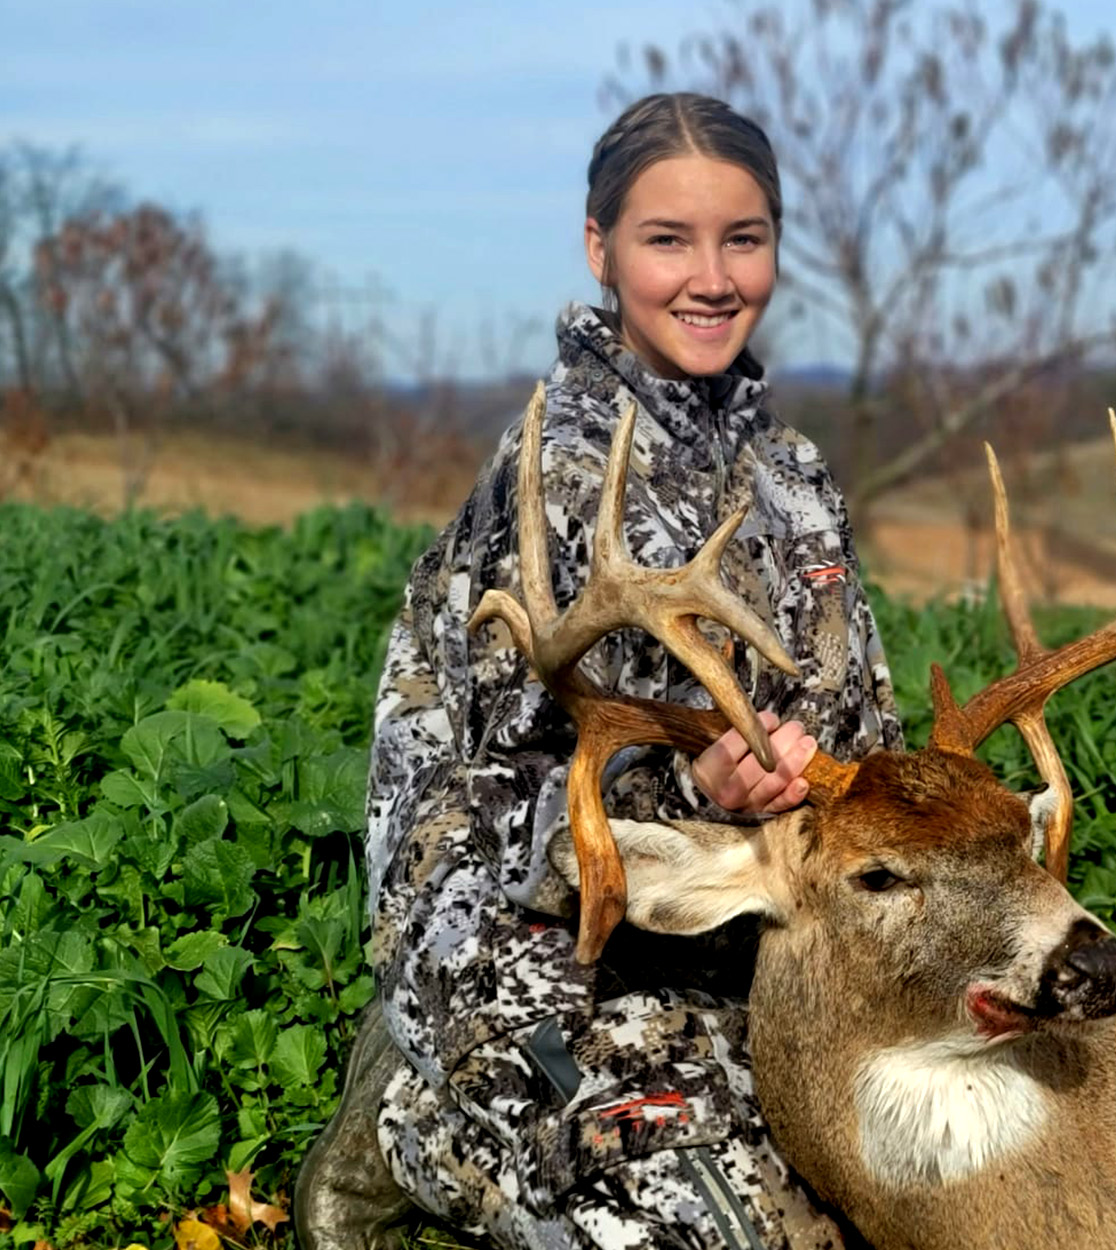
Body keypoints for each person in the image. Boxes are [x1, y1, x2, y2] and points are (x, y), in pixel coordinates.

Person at [295, 92, 901, 1250]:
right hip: (538, 951)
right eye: (667, 239)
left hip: (762, 940)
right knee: (726, 1235)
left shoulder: (794, 476)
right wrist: (694, 798)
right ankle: (415, 1120)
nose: (712, 276)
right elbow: (461, 805)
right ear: (600, 249)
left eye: (745, 237)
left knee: (925, 1176)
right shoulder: (553, 473)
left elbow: (861, 722)